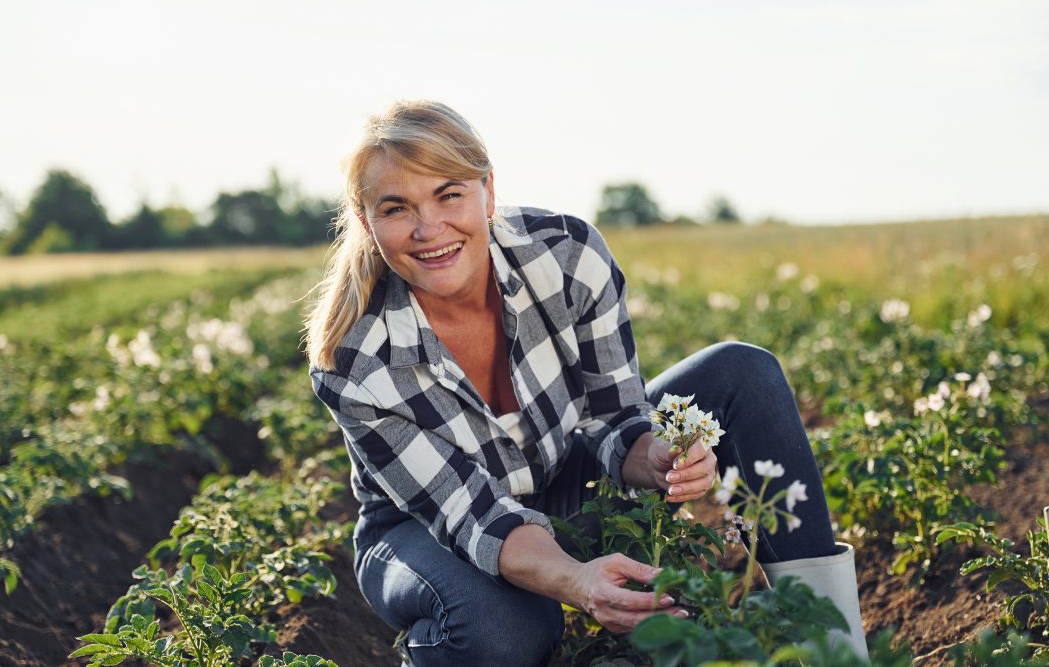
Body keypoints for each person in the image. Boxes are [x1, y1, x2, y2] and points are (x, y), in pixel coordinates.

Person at [304, 100, 869, 666]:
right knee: (505, 629)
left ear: (488, 192)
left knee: (742, 373)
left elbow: (614, 417)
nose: (430, 229)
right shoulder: (354, 357)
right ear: (366, 221)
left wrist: (660, 456)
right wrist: (577, 582)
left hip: (560, 476)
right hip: (423, 530)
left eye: (449, 193)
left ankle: (836, 650)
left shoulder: (565, 254)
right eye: (397, 208)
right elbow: (472, 515)